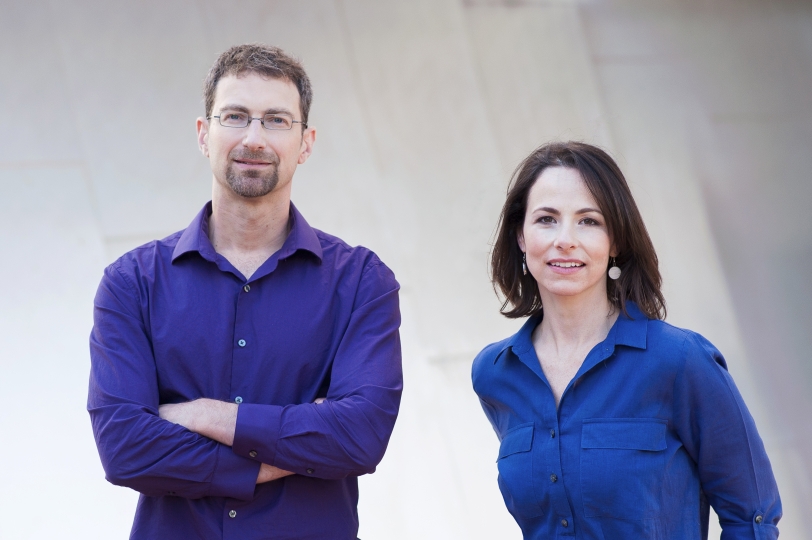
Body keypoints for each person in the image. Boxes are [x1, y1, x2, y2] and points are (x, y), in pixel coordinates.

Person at [88, 43, 402, 540]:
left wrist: (205, 416)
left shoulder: (361, 283)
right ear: (203, 133)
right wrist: (291, 447)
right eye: (235, 116)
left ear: (306, 142)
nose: (254, 138)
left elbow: (359, 437)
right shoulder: (132, 284)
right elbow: (125, 448)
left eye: (277, 120)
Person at [471, 141, 781, 539]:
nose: (565, 239)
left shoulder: (678, 361)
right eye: (547, 219)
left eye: (589, 221)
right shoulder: (495, 374)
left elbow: (752, 517)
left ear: (615, 241)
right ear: (520, 236)